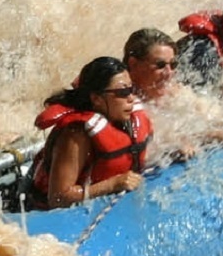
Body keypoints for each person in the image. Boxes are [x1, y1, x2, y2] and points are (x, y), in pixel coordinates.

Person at [25, 56, 151, 210]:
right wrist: (112, 184)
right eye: (122, 92)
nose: (131, 98)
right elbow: (58, 197)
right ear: (97, 99)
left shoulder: (123, 117)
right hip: (44, 211)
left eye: (131, 89)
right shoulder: (76, 135)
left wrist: (174, 148)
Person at [123, 27, 179, 104]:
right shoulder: (121, 105)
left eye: (173, 64)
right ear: (134, 64)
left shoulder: (175, 94)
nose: (169, 73)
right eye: (160, 65)